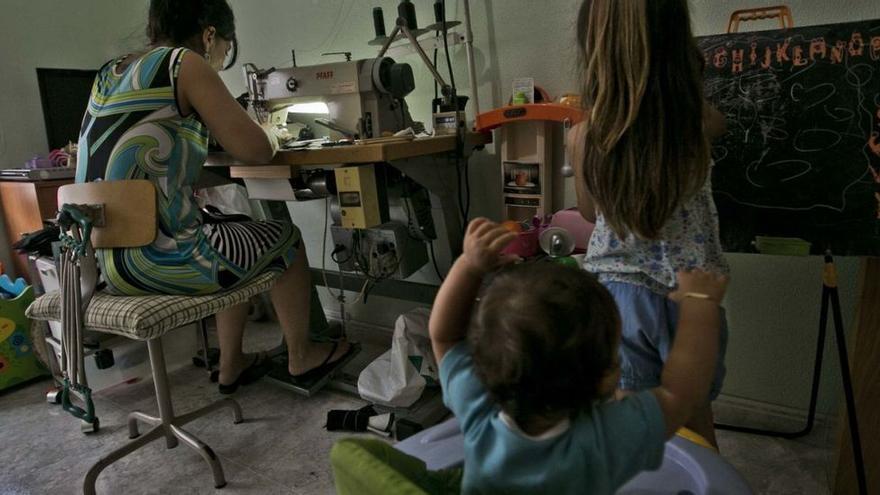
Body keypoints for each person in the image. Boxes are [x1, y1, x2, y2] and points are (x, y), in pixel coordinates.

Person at [76, 0, 351, 393]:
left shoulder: (109, 73)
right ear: (209, 34)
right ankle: (302, 355)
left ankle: (231, 362)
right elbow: (257, 150)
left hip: (108, 262)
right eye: (225, 47)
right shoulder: (183, 64)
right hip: (161, 260)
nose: (221, 59)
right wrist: (274, 130)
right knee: (284, 239)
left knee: (230, 229)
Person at [429, 218, 728, 494]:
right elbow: (682, 393)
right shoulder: (607, 438)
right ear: (605, 378)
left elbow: (444, 335)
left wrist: (468, 266)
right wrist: (700, 302)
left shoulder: (478, 406)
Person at [569, 0, 730, 446]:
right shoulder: (699, 123)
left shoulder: (583, 137)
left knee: (632, 425)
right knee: (695, 413)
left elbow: (587, 212)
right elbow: (719, 120)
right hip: (692, 294)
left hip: (622, 300)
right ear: (679, 45)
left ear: (592, 48)